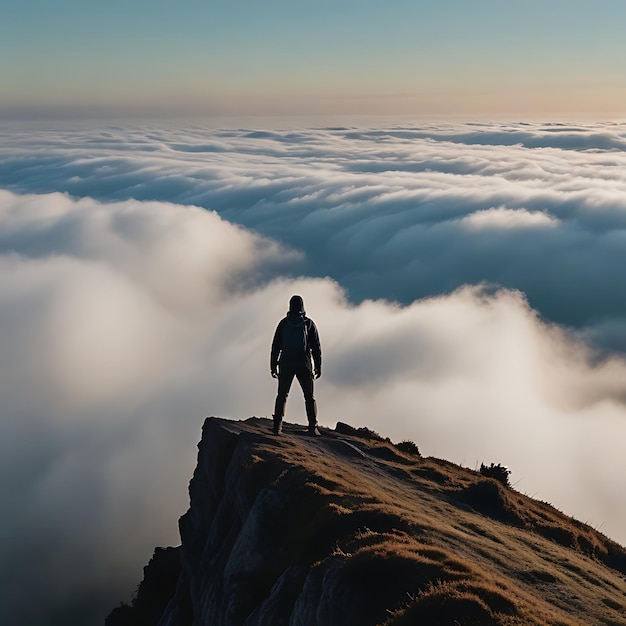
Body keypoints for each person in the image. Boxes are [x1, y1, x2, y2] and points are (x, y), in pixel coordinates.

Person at [270, 295, 322, 436]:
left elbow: (276, 345)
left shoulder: (283, 323)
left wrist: (273, 365)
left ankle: (277, 427)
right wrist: (318, 365)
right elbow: (315, 346)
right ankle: (313, 427)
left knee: (282, 394)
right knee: (309, 396)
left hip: (286, 361)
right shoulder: (308, 323)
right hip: (303, 362)